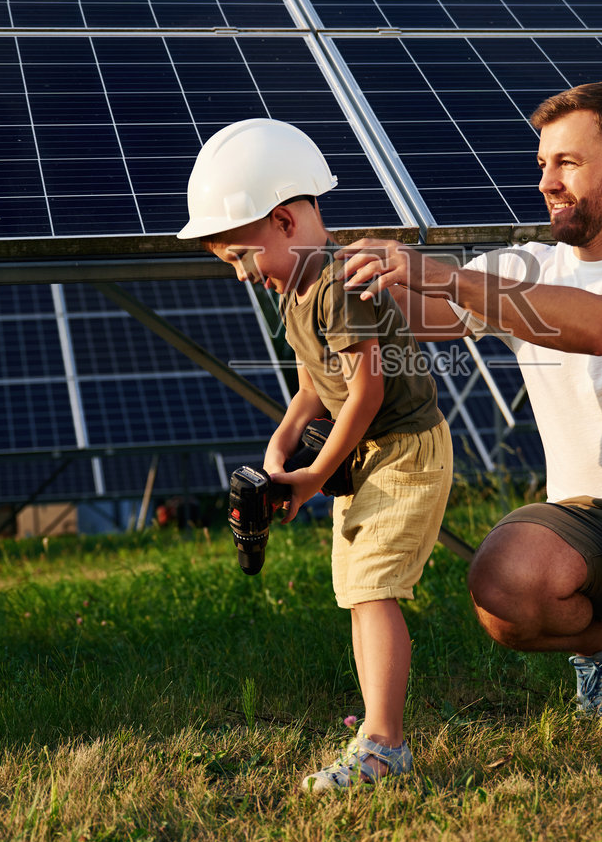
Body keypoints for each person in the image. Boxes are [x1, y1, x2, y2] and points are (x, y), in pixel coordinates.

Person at [340, 81, 602, 760]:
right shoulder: (525, 265)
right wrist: (330, 280)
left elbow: (598, 325)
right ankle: (599, 652)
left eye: (567, 162)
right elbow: (426, 317)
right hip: (585, 525)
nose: (547, 182)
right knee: (500, 584)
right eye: (542, 165)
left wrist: (439, 273)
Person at [178, 118, 453, 790]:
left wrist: (312, 475)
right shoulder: (296, 292)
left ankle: (384, 742)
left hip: (402, 449)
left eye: (242, 258)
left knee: (375, 587)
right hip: (364, 455)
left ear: (283, 221)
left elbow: (365, 390)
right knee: (358, 592)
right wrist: (282, 443)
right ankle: (376, 729)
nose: (244, 277)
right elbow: (313, 385)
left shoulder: (335, 283)